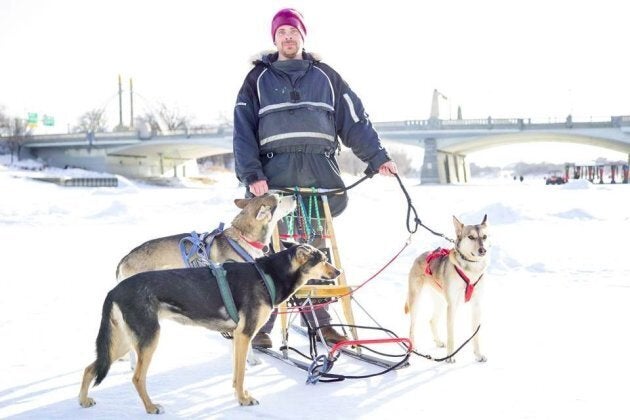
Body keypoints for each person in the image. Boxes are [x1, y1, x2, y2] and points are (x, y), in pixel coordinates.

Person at [232, 8, 398, 348]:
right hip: (274, 181)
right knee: (272, 254)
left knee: (316, 251)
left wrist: (377, 157)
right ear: (274, 39)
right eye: (281, 33)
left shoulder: (325, 76)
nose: (288, 38)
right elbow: (242, 130)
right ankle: (261, 323)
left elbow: (355, 121)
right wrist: (252, 174)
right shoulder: (257, 80)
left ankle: (322, 323)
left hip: (319, 176)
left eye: (293, 32)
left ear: (303, 36)